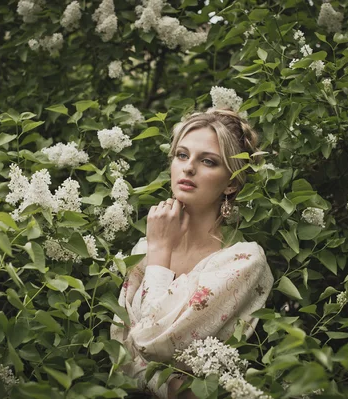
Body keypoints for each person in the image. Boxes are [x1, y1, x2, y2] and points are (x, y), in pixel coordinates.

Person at [110, 109, 274, 398]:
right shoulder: (143, 249)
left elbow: (151, 342)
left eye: (208, 161)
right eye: (182, 155)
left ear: (232, 183)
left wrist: (161, 250)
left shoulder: (243, 262)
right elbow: (119, 352)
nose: (188, 168)